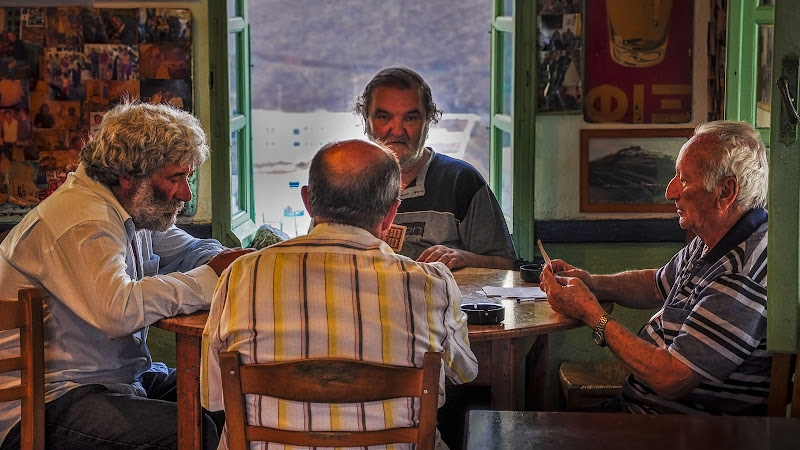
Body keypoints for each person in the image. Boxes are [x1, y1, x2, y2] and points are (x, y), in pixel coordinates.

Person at [0, 100, 253, 449]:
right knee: (193, 430)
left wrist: (234, 263)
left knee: (232, 396)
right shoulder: (83, 219)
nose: (186, 193)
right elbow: (117, 310)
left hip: (115, 381)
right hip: (45, 404)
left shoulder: (134, 205)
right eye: (176, 178)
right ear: (128, 175)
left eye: (188, 177)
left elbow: (190, 251)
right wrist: (210, 277)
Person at [201, 139, 478, 449]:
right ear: (390, 214)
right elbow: (463, 372)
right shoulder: (432, 284)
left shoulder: (241, 274)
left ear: (308, 201)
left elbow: (214, 395)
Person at [539, 121, 770, 415]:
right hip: (644, 407)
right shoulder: (717, 236)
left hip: (682, 430)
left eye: (684, 180)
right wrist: (592, 283)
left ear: (726, 192)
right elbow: (656, 283)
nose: (670, 191)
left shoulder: (741, 271)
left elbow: (673, 379)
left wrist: (591, 313)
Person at [355, 66, 517, 269]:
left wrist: (464, 258)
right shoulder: (346, 182)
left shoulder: (461, 181)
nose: (397, 130)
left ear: (429, 120)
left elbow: (506, 266)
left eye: (411, 118)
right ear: (366, 120)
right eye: (384, 117)